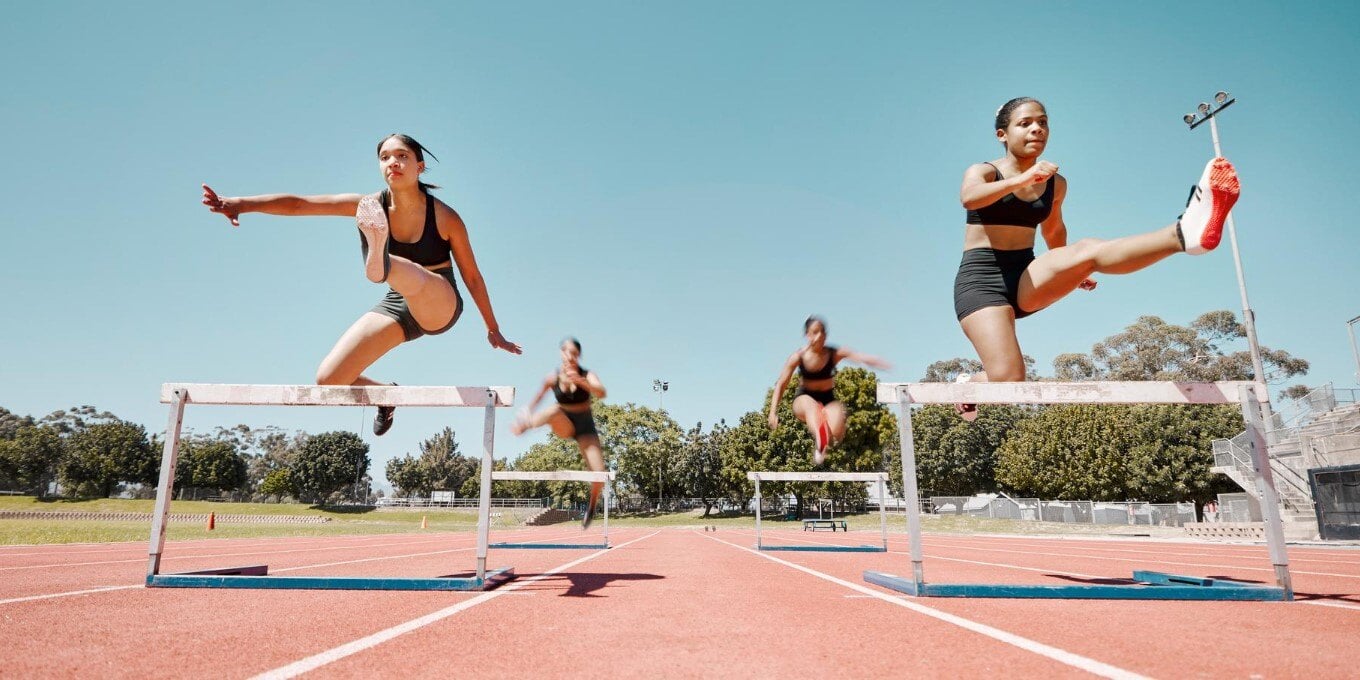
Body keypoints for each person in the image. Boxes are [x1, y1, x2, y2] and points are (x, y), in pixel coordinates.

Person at [201, 134, 522, 434]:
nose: (392, 162)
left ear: (419, 166)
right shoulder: (370, 205)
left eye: (402, 156)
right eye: (385, 157)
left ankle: (381, 261)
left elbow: (473, 276)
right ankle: (385, 394)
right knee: (329, 380)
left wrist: (492, 328)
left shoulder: (445, 217)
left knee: (416, 277)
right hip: (398, 304)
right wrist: (240, 203)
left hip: (440, 299)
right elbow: (302, 204)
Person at [952, 97, 1240, 419]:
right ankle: (967, 385)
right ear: (1002, 134)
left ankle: (1182, 234)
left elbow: (1054, 231)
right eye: (1025, 123)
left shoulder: (1056, 184)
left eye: (1043, 122)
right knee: (1008, 380)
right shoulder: (984, 172)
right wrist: (1024, 178)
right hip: (981, 282)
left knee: (1088, 250)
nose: (1037, 129)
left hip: (1025, 273)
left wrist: (1071, 268)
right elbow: (969, 197)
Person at [510, 337, 608, 528]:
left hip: (585, 427)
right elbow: (536, 399)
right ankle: (526, 426)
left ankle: (592, 506)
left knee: (599, 475)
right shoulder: (552, 378)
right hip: (564, 423)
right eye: (567, 352)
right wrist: (525, 418)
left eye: (574, 353)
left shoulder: (587, 374)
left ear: (578, 355)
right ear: (561, 353)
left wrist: (581, 381)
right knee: (554, 410)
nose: (570, 356)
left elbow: (601, 392)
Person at [768, 316, 892, 464]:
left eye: (822, 332)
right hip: (804, 398)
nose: (819, 336)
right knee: (811, 406)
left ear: (826, 335)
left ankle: (825, 438)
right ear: (808, 335)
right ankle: (821, 440)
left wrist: (876, 361)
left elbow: (857, 356)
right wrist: (772, 411)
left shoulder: (833, 353)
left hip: (828, 399)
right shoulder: (798, 357)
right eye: (815, 332)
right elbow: (781, 383)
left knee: (837, 427)